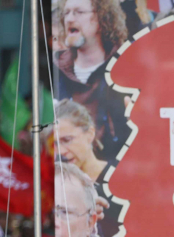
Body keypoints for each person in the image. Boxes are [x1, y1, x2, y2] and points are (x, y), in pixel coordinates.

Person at [54, 0, 131, 159]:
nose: (69, 19)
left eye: (79, 12)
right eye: (66, 13)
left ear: (101, 19)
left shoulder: (127, 65)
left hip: (117, 172)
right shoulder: (55, 69)